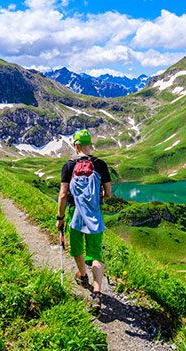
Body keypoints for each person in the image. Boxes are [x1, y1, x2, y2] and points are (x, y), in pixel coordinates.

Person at [56, 129, 112, 313]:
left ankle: (83, 276)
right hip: (94, 215)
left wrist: (60, 218)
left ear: (76, 146)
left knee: (77, 248)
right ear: (90, 146)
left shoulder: (68, 166)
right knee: (96, 254)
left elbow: (63, 194)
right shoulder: (101, 165)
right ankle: (97, 293)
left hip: (75, 214)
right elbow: (108, 194)